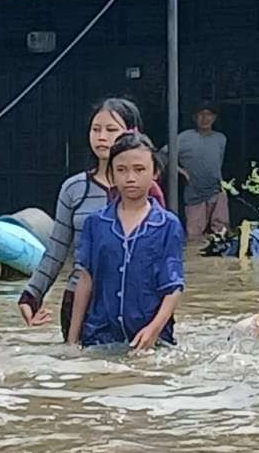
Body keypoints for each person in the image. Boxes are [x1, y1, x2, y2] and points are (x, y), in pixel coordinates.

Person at [19, 98, 144, 337]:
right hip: (79, 304)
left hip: (131, 306)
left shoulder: (143, 188)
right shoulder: (74, 188)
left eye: (111, 130)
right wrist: (32, 295)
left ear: (131, 133)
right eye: (96, 129)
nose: (101, 137)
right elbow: (56, 250)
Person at [68, 133, 185, 351]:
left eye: (139, 169)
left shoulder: (168, 225)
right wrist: (73, 340)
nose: (130, 178)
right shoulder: (95, 223)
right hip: (101, 336)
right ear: (111, 175)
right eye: (121, 170)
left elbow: (173, 286)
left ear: (155, 173)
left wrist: (153, 330)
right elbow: (85, 279)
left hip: (151, 340)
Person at [172, 103, 229, 245]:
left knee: (221, 232)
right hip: (194, 193)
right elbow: (162, 156)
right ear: (194, 117)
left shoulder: (221, 139)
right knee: (194, 236)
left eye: (209, 114)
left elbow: (219, 163)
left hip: (217, 191)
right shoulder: (183, 138)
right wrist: (180, 170)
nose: (205, 118)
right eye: (201, 114)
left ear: (214, 117)